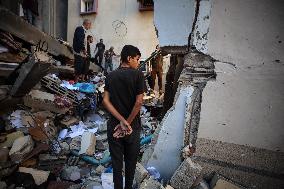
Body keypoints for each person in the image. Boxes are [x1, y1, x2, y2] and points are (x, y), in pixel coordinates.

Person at [103, 45, 144, 189]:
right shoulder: (138, 75)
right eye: (137, 59)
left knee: (116, 163)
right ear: (129, 58)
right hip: (132, 128)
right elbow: (139, 103)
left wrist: (120, 121)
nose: (138, 62)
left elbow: (105, 101)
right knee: (131, 163)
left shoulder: (110, 76)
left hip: (114, 127)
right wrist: (127, 123)